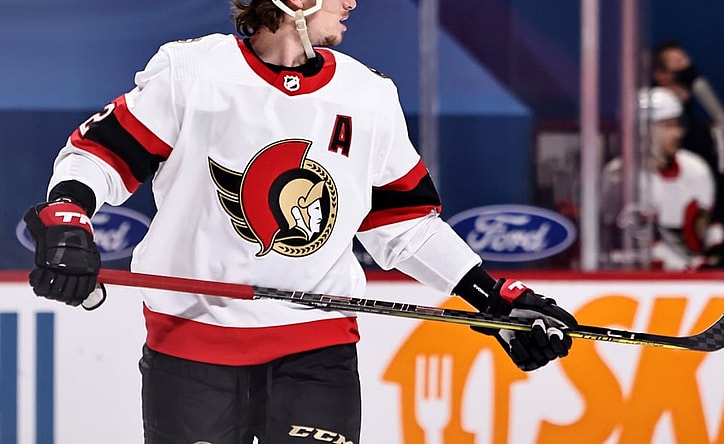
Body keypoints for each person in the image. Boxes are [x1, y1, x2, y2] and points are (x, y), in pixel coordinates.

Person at [21, 0, 577, 442]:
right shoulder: (194, 71)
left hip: (317, 347)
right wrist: (69, 218)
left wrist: (492, 295)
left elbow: (404, 223)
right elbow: (98, 156)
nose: (353, 3)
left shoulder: (369, 95)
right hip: (191, 346)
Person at [639, 86, 724, 270]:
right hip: (649, 280)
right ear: (644, 130)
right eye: (668, 126)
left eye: (678, 125)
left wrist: (718, 250)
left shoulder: (695, 168)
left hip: (693, 274)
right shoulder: (623, 176)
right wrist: (690, 267)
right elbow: (643, 243)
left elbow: (709, 224)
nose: (678, 133)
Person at [651, 40, 724, 227]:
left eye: (686, 60)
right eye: (678, 62)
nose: (686, 66)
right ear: (660, 75)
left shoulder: (700, 132)